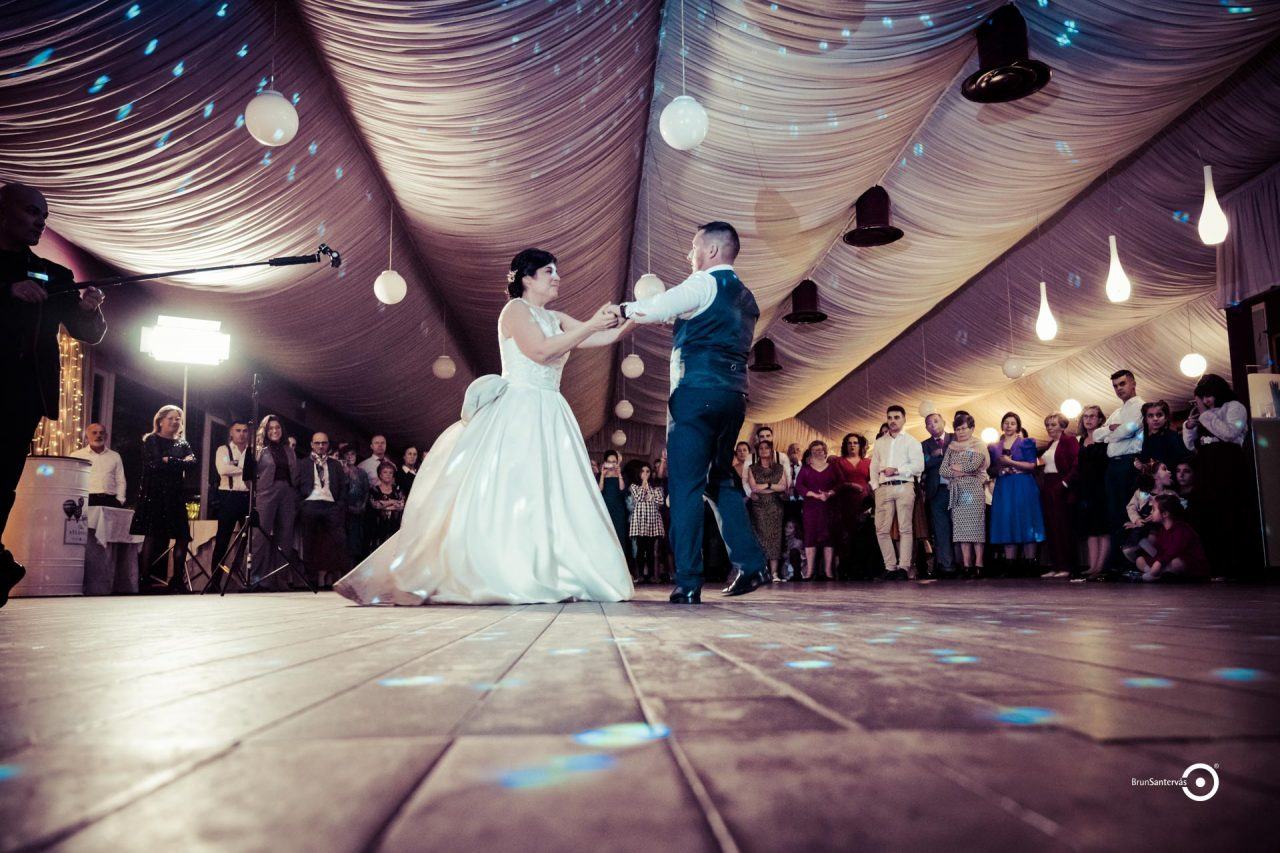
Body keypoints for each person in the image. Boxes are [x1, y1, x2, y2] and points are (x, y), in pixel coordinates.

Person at [335, 248, 634, 605]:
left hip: (551, 409)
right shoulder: (515, 311)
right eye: (549, 271)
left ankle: (550, 568)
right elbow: (539, 351)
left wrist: (636, 318)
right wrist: (590, 324)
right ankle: (505, 569)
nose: (558, 277)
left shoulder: (555, 316)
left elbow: (605, 338)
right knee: (513, 491)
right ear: (527, 278)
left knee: (553, 492)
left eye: (557, 271)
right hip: (520, 409)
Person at [615, 221, 767, 603]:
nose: (689, 254)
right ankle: (751, 564)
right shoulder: (746, 297)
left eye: (693, 247)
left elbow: (658, 306)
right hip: (734, 396)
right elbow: (702, 321)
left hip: (696, 393)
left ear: (713, 251)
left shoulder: (703, 282)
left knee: (685, 487)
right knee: (720, 479)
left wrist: (622, 309)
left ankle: (687, 582)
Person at [1, 182, 107, 604]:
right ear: (4, 211)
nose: (39, 222)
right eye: (31, 212)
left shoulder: (55, 275)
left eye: (44, 217)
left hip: (25, 396)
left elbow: (88, 333)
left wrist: (89, 310)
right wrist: (6, 292)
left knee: (1, 481)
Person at [1181, 373, 1257, 577]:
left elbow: (1230, 433)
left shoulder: (1234, 407)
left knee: (1231, 513)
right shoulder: (1205, 412)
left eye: (1209, 396)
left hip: (1229, 463)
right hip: (1206, 464)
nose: (1206, 401)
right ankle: (1215, 564)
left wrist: (1206, 414)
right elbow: (1189, 444)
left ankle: (1238, 566)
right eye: (1202, 397)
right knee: (1209, 513)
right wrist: (1189, 427)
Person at [129, 406, 197, 592]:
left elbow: (193, 464)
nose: (175, 422)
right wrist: (175, 463)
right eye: (171, 418)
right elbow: (155, 463)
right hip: (156, 493)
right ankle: (145, 579)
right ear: (160, 420)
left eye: (178, 419)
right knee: (152, 536)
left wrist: (170, 461)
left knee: (182, 536)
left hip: (175, 494)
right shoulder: (151, 439)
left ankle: (177, 579)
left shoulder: (182, 443)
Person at [1093, 370, 1145, 565]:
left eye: (1122, 384)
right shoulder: (1116, 411)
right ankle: (1117, 563)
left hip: (1129, 462)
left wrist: (1114, 431)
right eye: (1115, 386)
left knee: (1127, 512)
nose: (1118, 389)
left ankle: (1129, 563)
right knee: (1113, 514)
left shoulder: (1141, 406)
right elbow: (1097, 435)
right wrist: (1112, 430)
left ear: (1133, 383)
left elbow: (1128, 430)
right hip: (1113, 466)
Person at [870, 405, 924, 580]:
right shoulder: (879, 442)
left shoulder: (911, 441)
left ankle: (904, 567)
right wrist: (875, 487)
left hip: (904, 485)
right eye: (890, 417)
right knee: (881, 529)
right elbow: (874, 466)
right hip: (884, 488)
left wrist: (898, 470)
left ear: (904, 419)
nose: (892, 421)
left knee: (905, 528)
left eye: (896, 417)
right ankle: (890, 567)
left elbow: (918, 466)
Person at [988, 412, 1045, 574]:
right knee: (1007, 521)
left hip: (1024, 485)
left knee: (1026, 520)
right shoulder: (995, 446)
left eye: (1012, 423)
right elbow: (990, 469)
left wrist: (1012, 463)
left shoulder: (1027, 442)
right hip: (1004, 486)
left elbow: (1032, 465)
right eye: (1006, 422)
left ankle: (1030, 565)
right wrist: (1000, 470)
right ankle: (1010, 565)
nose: (1008, 426)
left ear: (1017, 426)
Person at [941, 411, 990, 576]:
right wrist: (958, 471)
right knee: (961, 530)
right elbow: (943, 469)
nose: (960, 432)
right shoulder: (951, 447)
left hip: (974, 489)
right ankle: (967, 565)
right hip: (957, 491)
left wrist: (956, 468)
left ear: (972, 428)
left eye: (964, 428)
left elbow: (973, 466)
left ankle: (979, 565)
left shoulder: (978, 445)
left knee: (976, 528)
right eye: (958, 429)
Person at [252, 414, 298, 590]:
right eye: (270, 428)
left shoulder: (289, 450)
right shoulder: (259, 450)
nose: (274, 431)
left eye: (277, 428)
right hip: (266, 492)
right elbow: (250, 478)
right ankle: (256, 579)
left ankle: (281, 580)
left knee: (285, 537)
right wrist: (260, 491)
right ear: (265, 431)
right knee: (260, 536)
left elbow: (296, 475)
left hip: (287, 492)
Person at [297, 432, 348, 589]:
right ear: (312, 444)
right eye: (317, 443)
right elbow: (296, 485)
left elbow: (343, 487)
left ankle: (343, 579)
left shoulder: (335, 464)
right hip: (310, 504)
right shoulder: (303, 463)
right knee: (309, 543)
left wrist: (339, 505)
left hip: (331, 505)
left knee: (339, 541)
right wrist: (301, 504)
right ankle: (311, 581)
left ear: (328, 445)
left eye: (324, 443)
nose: (321, 446)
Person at [1038, 412, 1080, 578]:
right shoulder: (1050, 444)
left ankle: (1066, 566)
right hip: (1048, 485)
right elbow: (1042, 464)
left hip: (1061, 485)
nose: (1049, 428)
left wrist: (1064, 483)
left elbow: (1077, 464)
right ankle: (1055, 565)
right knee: (1051, 526)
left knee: (1063, 526)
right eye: (1047, 425)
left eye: (1053, 424)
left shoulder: (1069, 440)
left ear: (1063, 426)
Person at [1135, 494, 1210, 582]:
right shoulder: (1163, 530)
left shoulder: (1182, 529)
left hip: (1190, 565)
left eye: (1154, 509)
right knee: (1139, 560)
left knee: (1176, 563)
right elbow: (1160, 551)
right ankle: (1156, 574)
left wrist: (1159, 563)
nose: (1151, 512)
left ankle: (1157, 575)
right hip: (1166, 561)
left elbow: (1173, 551)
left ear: (1165, 514)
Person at [210, 420, 251, 580]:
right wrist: (245, 470)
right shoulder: (223, 449)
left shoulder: (252, 450)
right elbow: (223, 469)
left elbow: (256, 472)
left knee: (248, 540)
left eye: (245, 431)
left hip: (247, 497)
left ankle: (242, 578)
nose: (242, 434)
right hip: (228, 496)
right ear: (231, 433)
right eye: (238, 430)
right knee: (223, 540)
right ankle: (215, 581)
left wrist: (237, 470)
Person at [1075, 405, 1112, 579]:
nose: (1088, 419)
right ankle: (1091, 566)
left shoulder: (1105, 439)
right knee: (1090, 528)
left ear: (1099, 419)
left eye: (1092, 416)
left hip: (1102, 487)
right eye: (1086, 417)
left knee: (1103, 527)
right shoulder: (1080, 441)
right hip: (1085, 488)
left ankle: (1100, 566)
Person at [795, 440, 839, 580]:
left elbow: (840, 483)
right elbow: (799, 486)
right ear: (810, 452)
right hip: (811, 508)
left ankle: (828, 572)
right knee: (810, 538)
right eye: (814, 450)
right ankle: (809, 572)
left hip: (828, 507)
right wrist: (814, 495)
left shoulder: (832, 468)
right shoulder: (806, 469)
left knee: (829, 539)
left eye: (820, 450)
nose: (818, 452)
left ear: (825, 451)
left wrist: (830, 493)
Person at [746, 439, 786, 581]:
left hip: (775, 505)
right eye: (761, 448)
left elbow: (783, 486)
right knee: (761, 538)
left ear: (771, 450)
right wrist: (771, 486)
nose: (764, 450)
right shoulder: (752, 468)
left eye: (766, 448)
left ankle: (775, 573)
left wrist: (766, 484)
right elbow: (754, 488)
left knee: (775, 539)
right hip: (759, 506)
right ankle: (763, 572)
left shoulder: (779, 467)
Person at [920, 413, 955, 578]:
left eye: (936, 421)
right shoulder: (924, 445)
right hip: (936, 490)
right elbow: (923, 462)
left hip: (957, 488)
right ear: (926, 428)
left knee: (959, 527)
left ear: (944, 422)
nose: (932, 425)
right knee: (941, 530)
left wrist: (937, 456)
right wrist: (936, 456)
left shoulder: (956, 438)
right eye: (929, 424)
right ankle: (946, 566)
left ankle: (964, 563)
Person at [70, 423, 126, 507]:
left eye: (101, 433)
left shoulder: (115, 456)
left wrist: (120, 500)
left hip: (110, 501)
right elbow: (71, 481)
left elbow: (120, 480)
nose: (98, 435)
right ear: (86, 437)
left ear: (106, 436)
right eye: (94, 433)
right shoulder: (76, 456)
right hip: (86, 500)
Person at [628, 462, 665, 583]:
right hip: (640, 521)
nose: (645, 474)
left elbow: (660, 501)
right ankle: (640, 575)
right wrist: (644, 486)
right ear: (639, 473)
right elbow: (638, 498)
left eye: (647, 471)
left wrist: (650, 494)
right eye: (643, 471)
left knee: (651, 550)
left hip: (653, 521)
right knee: (640, 550)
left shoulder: (656, 485)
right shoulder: (634, 486)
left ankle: (651, 575)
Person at [337, 444, 371, 566]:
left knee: (355, 541)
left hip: (358, 512)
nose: (350, 457)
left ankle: (352, 568)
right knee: (343, 541)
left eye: (353, 454)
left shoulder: (362, 473)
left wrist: (362, 506)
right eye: (347, 454)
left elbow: (366, 491)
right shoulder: (339, 471)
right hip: (344, 512)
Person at [598, 449, 631, 567]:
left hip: (618, 510)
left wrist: (619, 474)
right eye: (609, 461)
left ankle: (620, 567)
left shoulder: (622, 475)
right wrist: (602, 474)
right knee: (605, 536)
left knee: (620, 536)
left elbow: (623, 490)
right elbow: (598, 491)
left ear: (617, 462)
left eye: (614, 461)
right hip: (605, 509)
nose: (611, 464)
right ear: (605, 462)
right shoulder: (600, 474)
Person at [365, 460, 405, 552]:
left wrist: (384, 505)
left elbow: (401, 506)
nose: (388, 474)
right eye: (385, 472)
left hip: (394, 528)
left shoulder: (398, 490)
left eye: (391, 472)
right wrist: (393, 501)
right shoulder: (374, 490)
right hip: (377, 529)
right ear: (380, 474)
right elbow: (376, 505)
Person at [1137, 400, 1187, 471]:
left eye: (1159, 415)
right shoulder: (1141, 439)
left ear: (1166, 417)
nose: (1155, 419)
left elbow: (1180, 460)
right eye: (1150, 416)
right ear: (1146, 419)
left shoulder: (1173, 436)